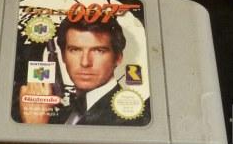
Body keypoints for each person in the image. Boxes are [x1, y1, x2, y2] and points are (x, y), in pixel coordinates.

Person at [19, 16, 150, 126]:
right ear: (63, 56)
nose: (85, 62)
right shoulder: (61, 111)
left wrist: (35, 126)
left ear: (118, 58)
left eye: (99, 51)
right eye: (75, 50)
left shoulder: (131, 118)